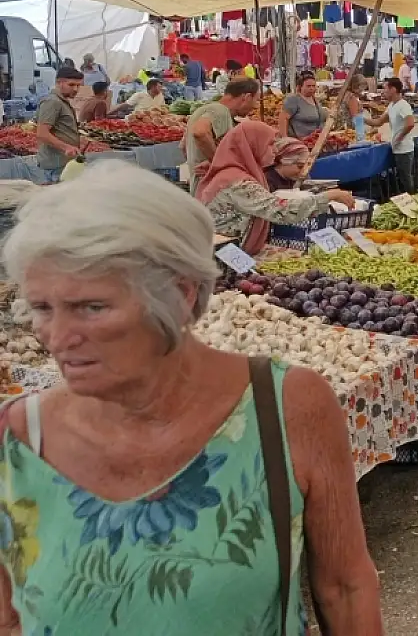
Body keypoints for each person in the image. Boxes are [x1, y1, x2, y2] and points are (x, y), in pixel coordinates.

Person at [0, 161, 381, 633]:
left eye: (91, 307)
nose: (57, 337)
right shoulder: (15, 443)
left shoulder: (286, 407)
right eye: (42, 308)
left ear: (180, 295)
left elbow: (344, 588)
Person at [197, 121, 355, 252]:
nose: (274, 150)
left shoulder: (233, 173)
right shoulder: (238, 183)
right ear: (252, 145)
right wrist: (328, 196)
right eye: (269, 144)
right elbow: (280, 210)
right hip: (223, 256)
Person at [182, 77, 260, 192]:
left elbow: (183, 146)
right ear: (247, 97)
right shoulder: (220, 111)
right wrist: (218, 164)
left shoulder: (203, 110)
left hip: (200, 189)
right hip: (212, 191)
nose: (255, 106)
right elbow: (200, 132)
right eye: (256, 100)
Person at [32, 67, 84, 183]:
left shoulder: (61, 102)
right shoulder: (53, 102)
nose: (76, 89)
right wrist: (66, 147)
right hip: (56, 165)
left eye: (78, 85)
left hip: (63, 162)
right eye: (71, 85)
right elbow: (42, 133)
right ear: (59, 83)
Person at [371, 78, 417, 194]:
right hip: (397, 149)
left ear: (393, 89)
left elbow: (410, 123)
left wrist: (399, 138)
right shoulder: (391, 105)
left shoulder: (403, 105)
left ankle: (412, 201)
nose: (383, 91)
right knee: (402, 178)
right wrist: (361, 119)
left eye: (385, 88)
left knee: (406, 179)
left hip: (404, 149)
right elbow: (379, 122)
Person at [279, 73, 326, 140]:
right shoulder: (293, 100)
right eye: (308, 86)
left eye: (313, 86)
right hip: (301, 141)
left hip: (316, 140)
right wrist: (285, 138)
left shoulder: (315, 100)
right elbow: (283, 118)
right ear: (300, 87)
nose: (311, 88)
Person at [344, 74, 368, 142]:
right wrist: (361, 135)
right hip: (352, 131)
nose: (363, 89)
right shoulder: (352, 98)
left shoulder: (348, 94)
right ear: (356, 85)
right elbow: (355, 118)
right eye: (361, 86)